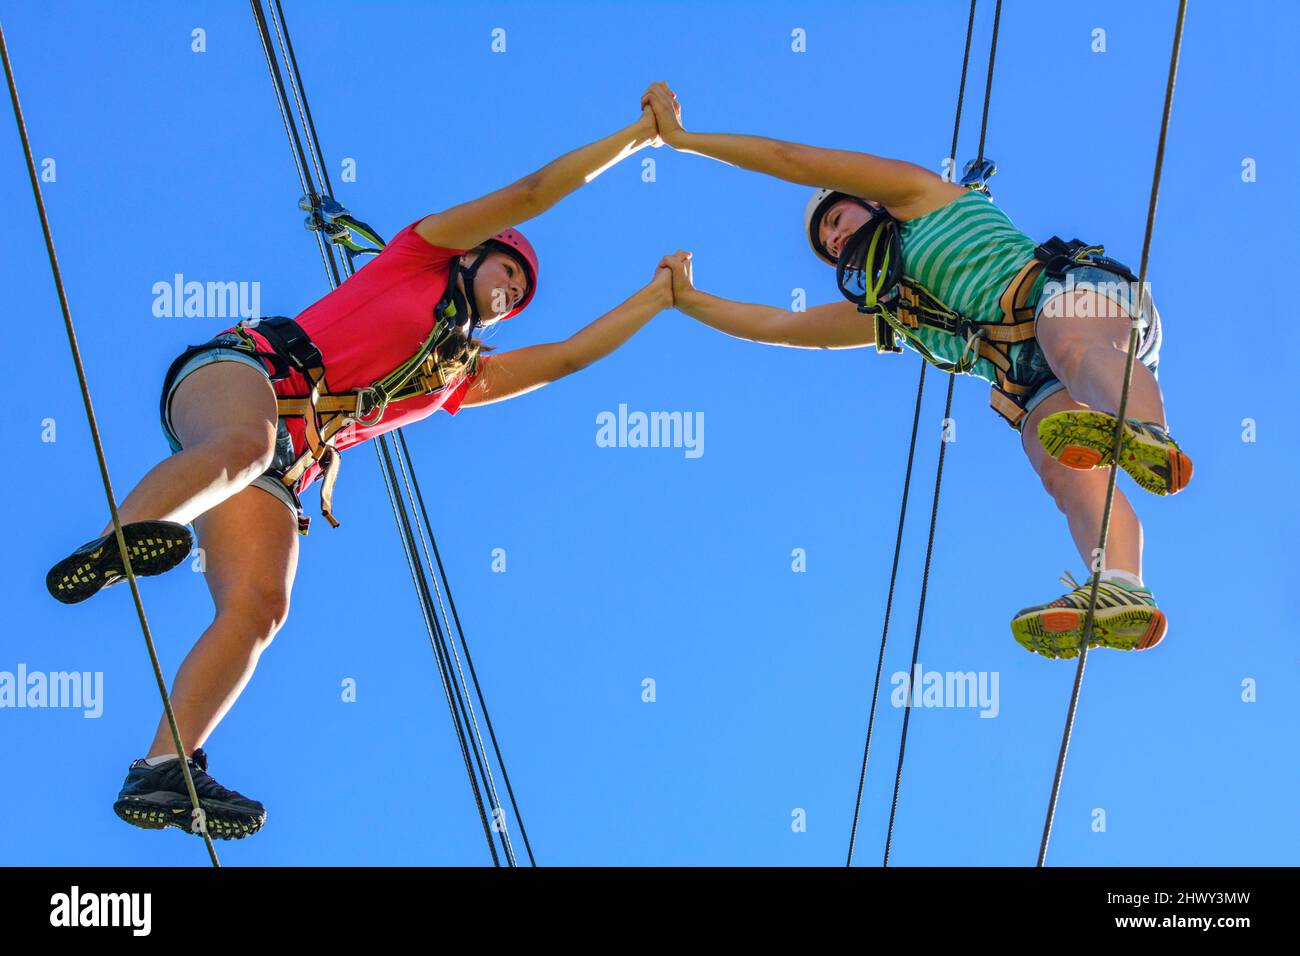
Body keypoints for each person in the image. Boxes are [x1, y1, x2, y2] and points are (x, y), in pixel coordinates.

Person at [45, 106, 684, 839]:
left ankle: (162, 768)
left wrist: (657, 299)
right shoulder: (419, 252)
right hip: (244, 375)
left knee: (260, 609)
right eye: (508, 270)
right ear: (473, 255)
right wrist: (636, 138)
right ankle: (122, 539)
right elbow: (536, 190)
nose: (510, 292)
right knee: (244, 446)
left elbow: (569, 356)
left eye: (519, 295)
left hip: (287, 463)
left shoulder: (458, 375)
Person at [640, 81, 1193, 663]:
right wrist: (684, 300)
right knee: (1060, 467)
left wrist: (683, 139)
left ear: (870, 201)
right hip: (1033, 381)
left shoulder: (918, 196)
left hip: (1079, 302)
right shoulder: (892, 311)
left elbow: (793, 161)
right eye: (826, 242)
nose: (833, 237)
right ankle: (1121, 588)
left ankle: (1145, 433)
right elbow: (779, 326)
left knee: (1071, 345)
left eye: (836, 216)